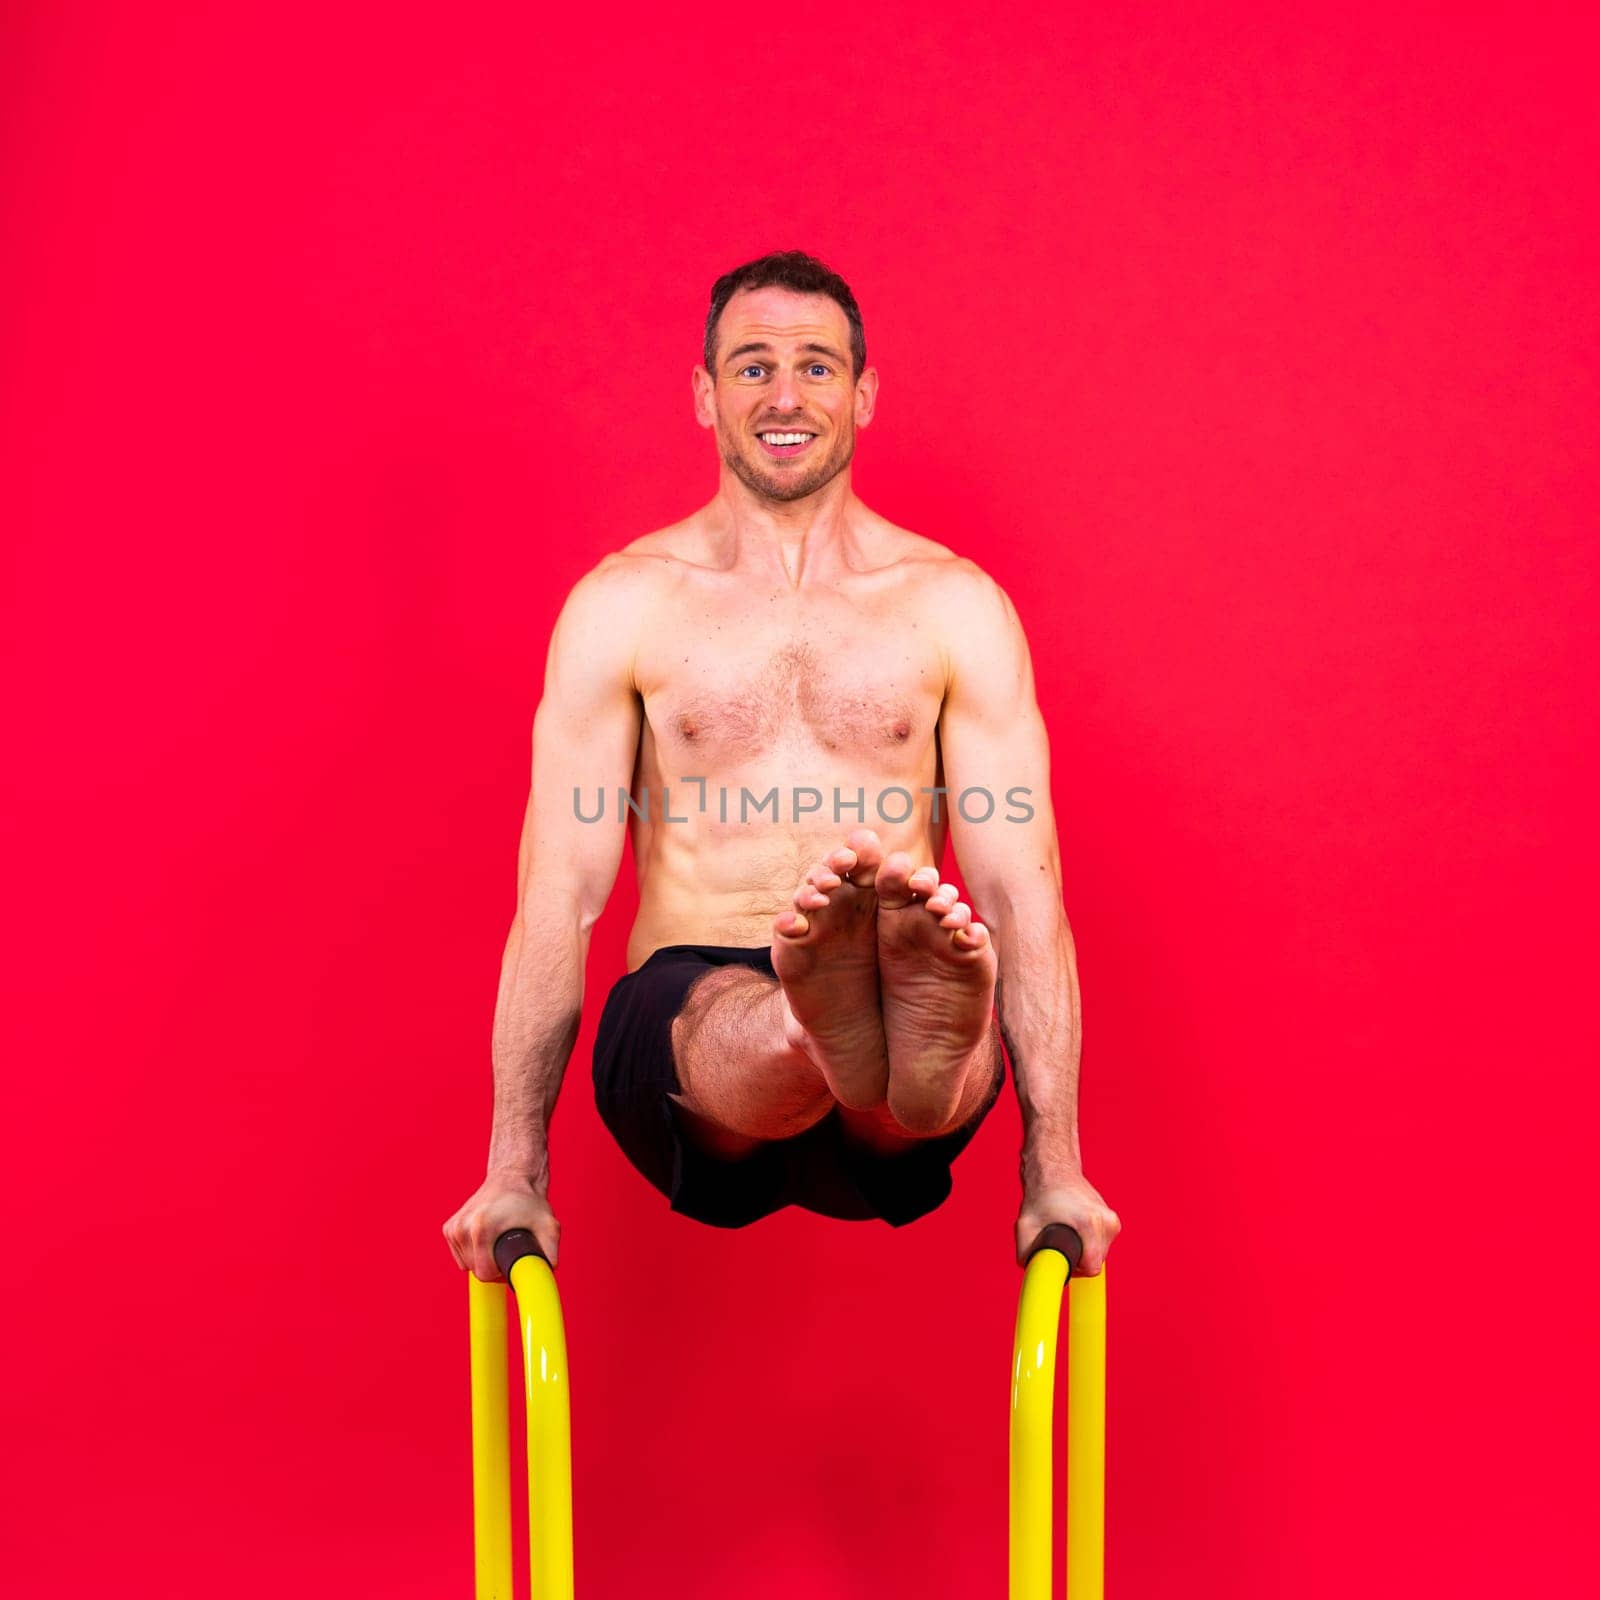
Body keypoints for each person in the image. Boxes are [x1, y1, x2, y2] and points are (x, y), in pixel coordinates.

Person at [442, 250, 1121, 1281]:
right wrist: (511, 1167)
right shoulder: (625, 603)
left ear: (864, 393)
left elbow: (1021, 896)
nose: (785, 394)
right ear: (705, 396)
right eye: (752, 366)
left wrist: (1055, 1169)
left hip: (897, 1020)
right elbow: (558, 901)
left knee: (927, 1025)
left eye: (816, 365)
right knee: (769, 1023)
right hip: (686, 1024)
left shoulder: (951, 605)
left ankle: (879, 1035)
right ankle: (822, 1030)